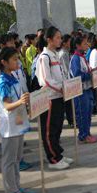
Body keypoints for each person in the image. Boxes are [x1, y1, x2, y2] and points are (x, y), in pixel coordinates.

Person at [0, 46, 37, 193]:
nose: (18, 62)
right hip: (9, 126)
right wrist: (21, 101)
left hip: (18, 122)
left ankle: (16, 187)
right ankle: (11, 192)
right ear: (4, 62)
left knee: (17, 158)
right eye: (14, 59)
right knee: (9, 160)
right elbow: (6, 106)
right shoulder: (3, 81)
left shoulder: (12, 77)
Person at [35, 26, 73, 170]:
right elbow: (46, 80)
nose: (60, 40)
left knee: (57, 127)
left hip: (59, 96)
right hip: (50, 97)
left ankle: (58, 154)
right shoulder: (44, 57)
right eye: (57, 37)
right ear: (49, 39)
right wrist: (62, 88)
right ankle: (53, 158)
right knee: (49, 129)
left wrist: (67, 86)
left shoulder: (55, 55)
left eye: (60, 37)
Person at [70, 34, 97, 144]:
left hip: (87, 88)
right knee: (82, 113)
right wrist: (89, 75)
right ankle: (83, 135)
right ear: (78, 45)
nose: (87, 45)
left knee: (88, 112)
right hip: (80, 91)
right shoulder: (75, 58)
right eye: (84, 43)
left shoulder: (82, 57)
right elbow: (77, 75)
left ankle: (87, 132)